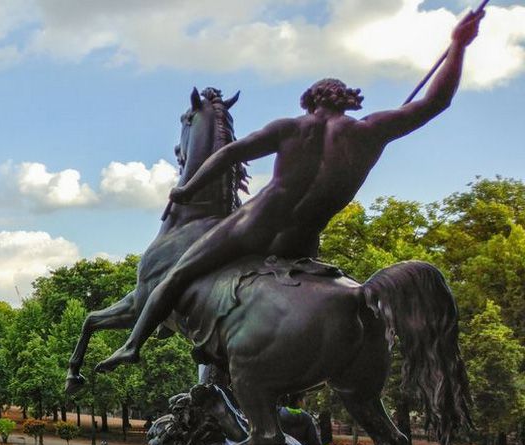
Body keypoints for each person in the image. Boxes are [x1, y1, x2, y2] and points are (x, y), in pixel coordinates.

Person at [96, 10, 485, 373]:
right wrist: (458, 46)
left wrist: (189, 189)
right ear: (343, 98)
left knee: (177, 274)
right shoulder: (369, 133)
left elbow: (230, 154)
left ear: (311, 100)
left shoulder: (291, 128)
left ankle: (133, 345)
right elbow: (437, 101)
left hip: (254, 227)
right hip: (302, 242)